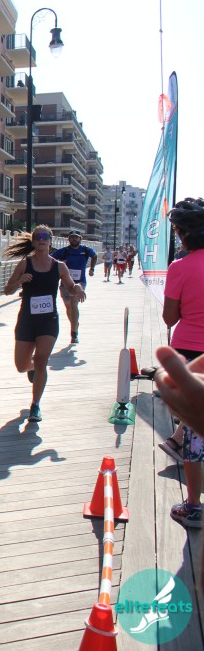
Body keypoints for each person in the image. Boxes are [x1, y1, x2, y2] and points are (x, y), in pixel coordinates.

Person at [149, 198, 204, 528]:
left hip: (187, 352)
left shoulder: (180, 267)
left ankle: (193, 505)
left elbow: (170, 317)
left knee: (195, 431)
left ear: (182, 234)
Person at [2, 225, 85, 422]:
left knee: (41, 360)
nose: (41, 239)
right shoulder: (25, 264)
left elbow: (70, 288)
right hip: (27, 320)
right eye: (38, 236)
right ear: (33, 241)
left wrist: (78, 288)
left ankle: (35, 404)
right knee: (21, 366)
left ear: (50, 241)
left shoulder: (59, 266)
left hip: (48, 320)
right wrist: (20, 281)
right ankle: (30, 369)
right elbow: (7, 290)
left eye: (45, 236)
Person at [51, 230, 96, 343]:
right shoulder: (64, 251)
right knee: (68, 307)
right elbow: (51, 258)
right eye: (72, 237)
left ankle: (74, 333)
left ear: (80, 239)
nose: (74, 239)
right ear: (69, 239)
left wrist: (92, 268)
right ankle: (75, 324)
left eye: (76, 237)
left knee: (74, 304)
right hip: (65, 282)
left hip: (80, 282)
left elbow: (94, 256)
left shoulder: (85, 250)